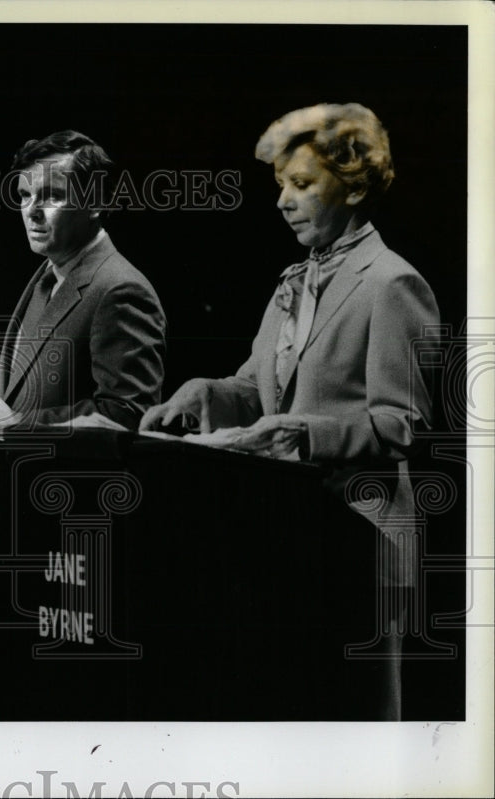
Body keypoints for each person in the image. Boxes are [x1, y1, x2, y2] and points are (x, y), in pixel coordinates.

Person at [140, 103, 439, 718]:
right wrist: (205, 393)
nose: (282, 200)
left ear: (353, 185)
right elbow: (257, 389)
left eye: (301, 184)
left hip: (360, 542)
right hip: (290, 537)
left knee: (359, 728)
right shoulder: (292, 281)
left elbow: (401, 425)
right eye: (280, 185)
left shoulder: (392, 284)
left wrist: (304, 435)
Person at [0, 130, 166, 431]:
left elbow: (126, 414)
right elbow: (17, 405)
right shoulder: (49, 272)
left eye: (52, 195)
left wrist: (12, 422)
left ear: (95, 204)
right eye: (25, 195)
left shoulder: (121, 290)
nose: (32, 211)